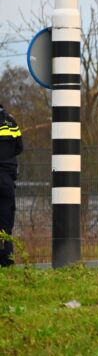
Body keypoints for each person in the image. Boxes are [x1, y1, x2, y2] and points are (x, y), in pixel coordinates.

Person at [0, 105, 22, 267]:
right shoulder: (11, 121)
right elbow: (20, 147)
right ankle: (7, 262)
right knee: (6, 225)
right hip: (7, 180)